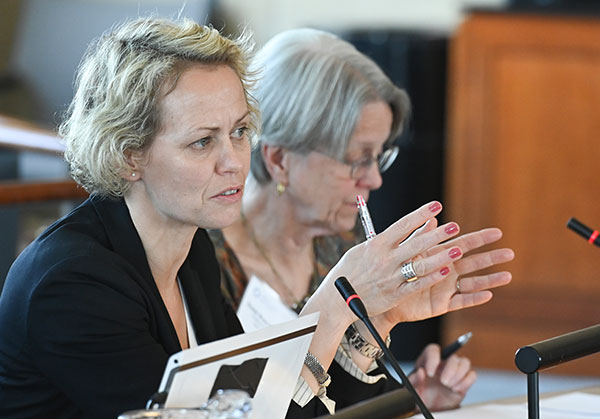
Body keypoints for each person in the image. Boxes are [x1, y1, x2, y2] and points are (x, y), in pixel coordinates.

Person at [0, 17, 470, 418]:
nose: (235, 161)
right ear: (129, 155)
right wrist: (335, 302)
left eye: (239, 131)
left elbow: (273, 411)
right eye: (202, 142)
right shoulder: (73, 285)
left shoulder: (191, 249)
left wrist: (374, 316)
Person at [210, 28, 515, 412]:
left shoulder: (339, 242)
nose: (374, 179)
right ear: (279, 160)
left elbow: (339, 402)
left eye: (379, 156)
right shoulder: (203, 263)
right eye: (358, 159)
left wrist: (408, 398)